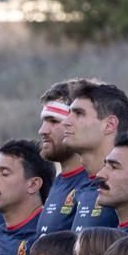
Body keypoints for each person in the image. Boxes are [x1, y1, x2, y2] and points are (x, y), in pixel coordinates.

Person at [67, 81, 128, 231]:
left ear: (109, 125)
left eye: (79, 114)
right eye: (69, 113)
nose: (66, 122)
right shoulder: (81, 187)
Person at [36, 82, 92, 236]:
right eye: (44, 121)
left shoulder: (96, 182)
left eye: (54, 121)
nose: (42, 130)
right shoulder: (60, 181)